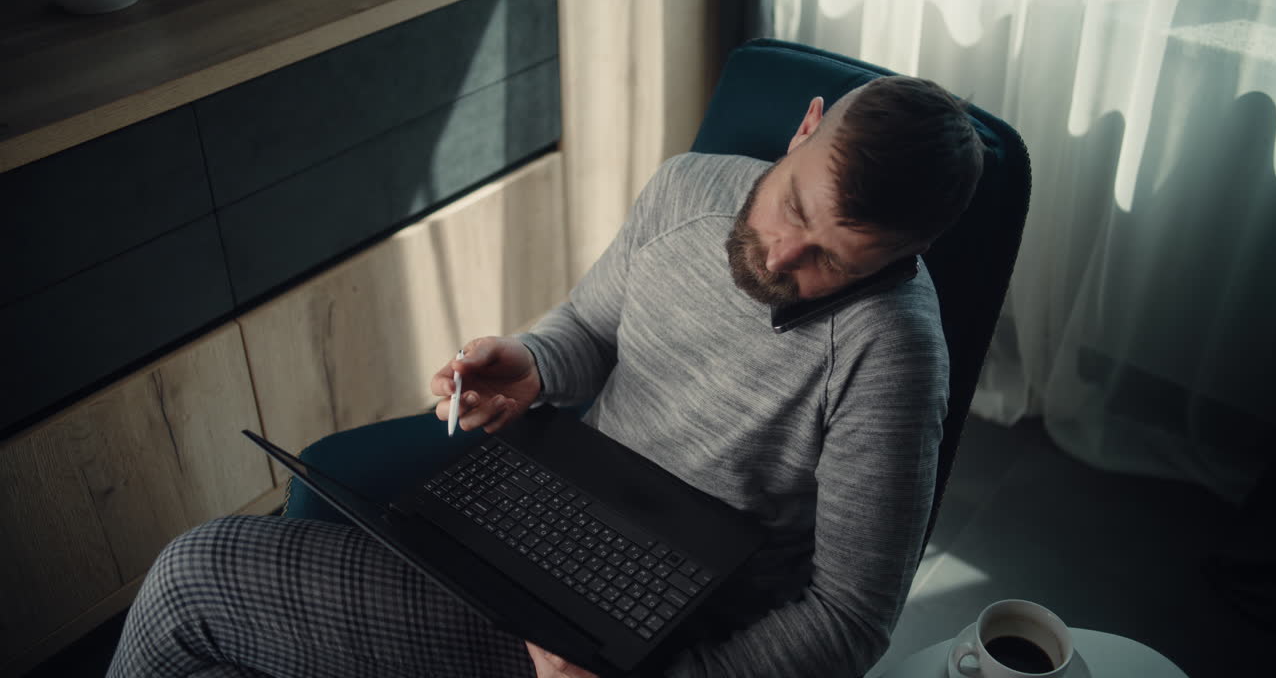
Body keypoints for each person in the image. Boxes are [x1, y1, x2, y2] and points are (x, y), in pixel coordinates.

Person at [107, 75, 984, 678]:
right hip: (555, 511)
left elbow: (849, 617)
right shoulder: (687, 190)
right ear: (804, 125)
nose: (784, 255)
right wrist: (530, 362)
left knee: (194, 579)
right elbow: (591, 328)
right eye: (795, 203)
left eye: (832, 256)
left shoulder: (895, 357)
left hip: (669, 632)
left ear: (907, 256)